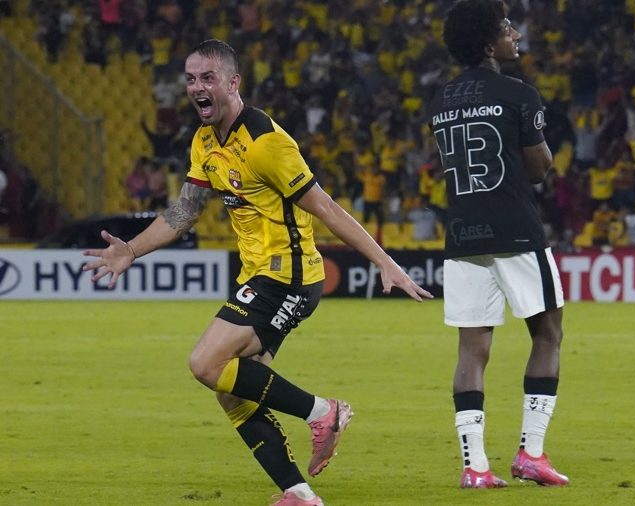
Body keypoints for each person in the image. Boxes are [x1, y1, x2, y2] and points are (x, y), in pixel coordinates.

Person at [83, 39, 433, 506]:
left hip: (288, 276)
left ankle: (323, 412)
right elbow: (183, 213)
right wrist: (130, 249)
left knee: (205, 363)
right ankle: (299, 493)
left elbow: (326, 207)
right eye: (190, 78)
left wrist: (384, 261)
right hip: (258, 277)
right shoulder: (205, 141)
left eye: (207, 78)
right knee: (233, 392)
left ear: (233, 82)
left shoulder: (267, 143)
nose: (196, 87)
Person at [428, 0, 569, 489]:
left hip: (463, 234)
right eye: (507, 27)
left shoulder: (441, 100)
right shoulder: (517, 93)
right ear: (489, 43)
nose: (516, 33)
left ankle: (475, 466)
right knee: (548, 333)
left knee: (472, 350)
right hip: (515, 229)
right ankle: (531, 453)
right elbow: (538, 168)